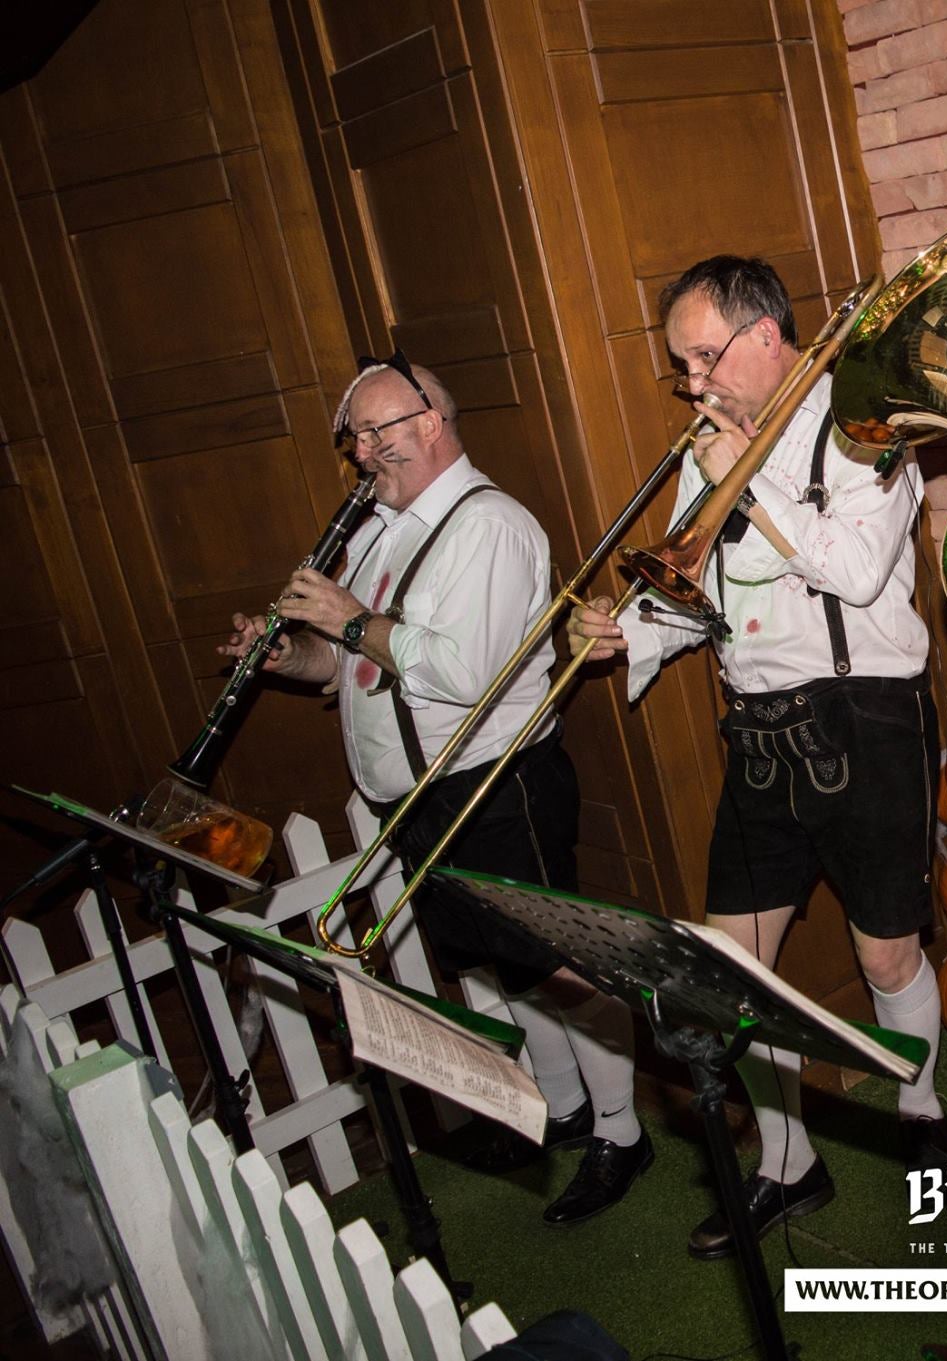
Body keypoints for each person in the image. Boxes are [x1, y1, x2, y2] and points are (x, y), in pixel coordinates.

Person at [566, 257, 947, 1261]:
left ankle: (920, 1112)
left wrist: (755, 470)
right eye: (681, 365)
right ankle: (788, 1159)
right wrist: (632, 636)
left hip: (865, 717)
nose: (695, 383)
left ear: (765, 337)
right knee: (724, 970)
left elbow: (858, 568)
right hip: (757, 728)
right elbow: (701, 586)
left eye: (704, 356)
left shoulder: (866, 423)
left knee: (887, 952)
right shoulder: (712, 449)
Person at [223, 354, 651, 1227]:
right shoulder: (384, 528)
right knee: (492, 966)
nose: (362, 453)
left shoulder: (486, 524)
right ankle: (561, 1111)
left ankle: (622, 1130)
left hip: (494, 784)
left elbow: (460, 672)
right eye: (355, 437)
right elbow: (354, 664)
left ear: (431, 421)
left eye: (378, 431)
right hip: (421, 796)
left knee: (555, 962)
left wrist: (346, 616)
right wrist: (292, 654)